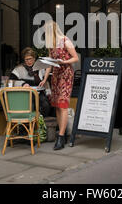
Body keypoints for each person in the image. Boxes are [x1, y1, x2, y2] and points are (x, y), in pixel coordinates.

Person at [42, 21, 79, 150]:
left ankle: (61, 137)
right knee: (57, 105)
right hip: (56, 75)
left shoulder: (65, 40)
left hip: (66, 75)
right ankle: (61, 133)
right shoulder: (51, 45)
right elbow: (49, 63)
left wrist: (64, 61)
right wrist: (45, 78)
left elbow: (75, 58)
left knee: (63, 105)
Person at [10, 47, 52, 117]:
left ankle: (40, 123)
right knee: (31, 106)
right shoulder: (19, 69)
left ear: (34, 59)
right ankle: (29, 125)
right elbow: (11, 81)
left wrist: (48, 93)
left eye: (30, 59)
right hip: (24, 95)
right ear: (24, 59)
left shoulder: (40, 68)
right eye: (26, 59)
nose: (29, 61)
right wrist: (22, 84)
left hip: (39, 94)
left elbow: (45, 81)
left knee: (46, 105)